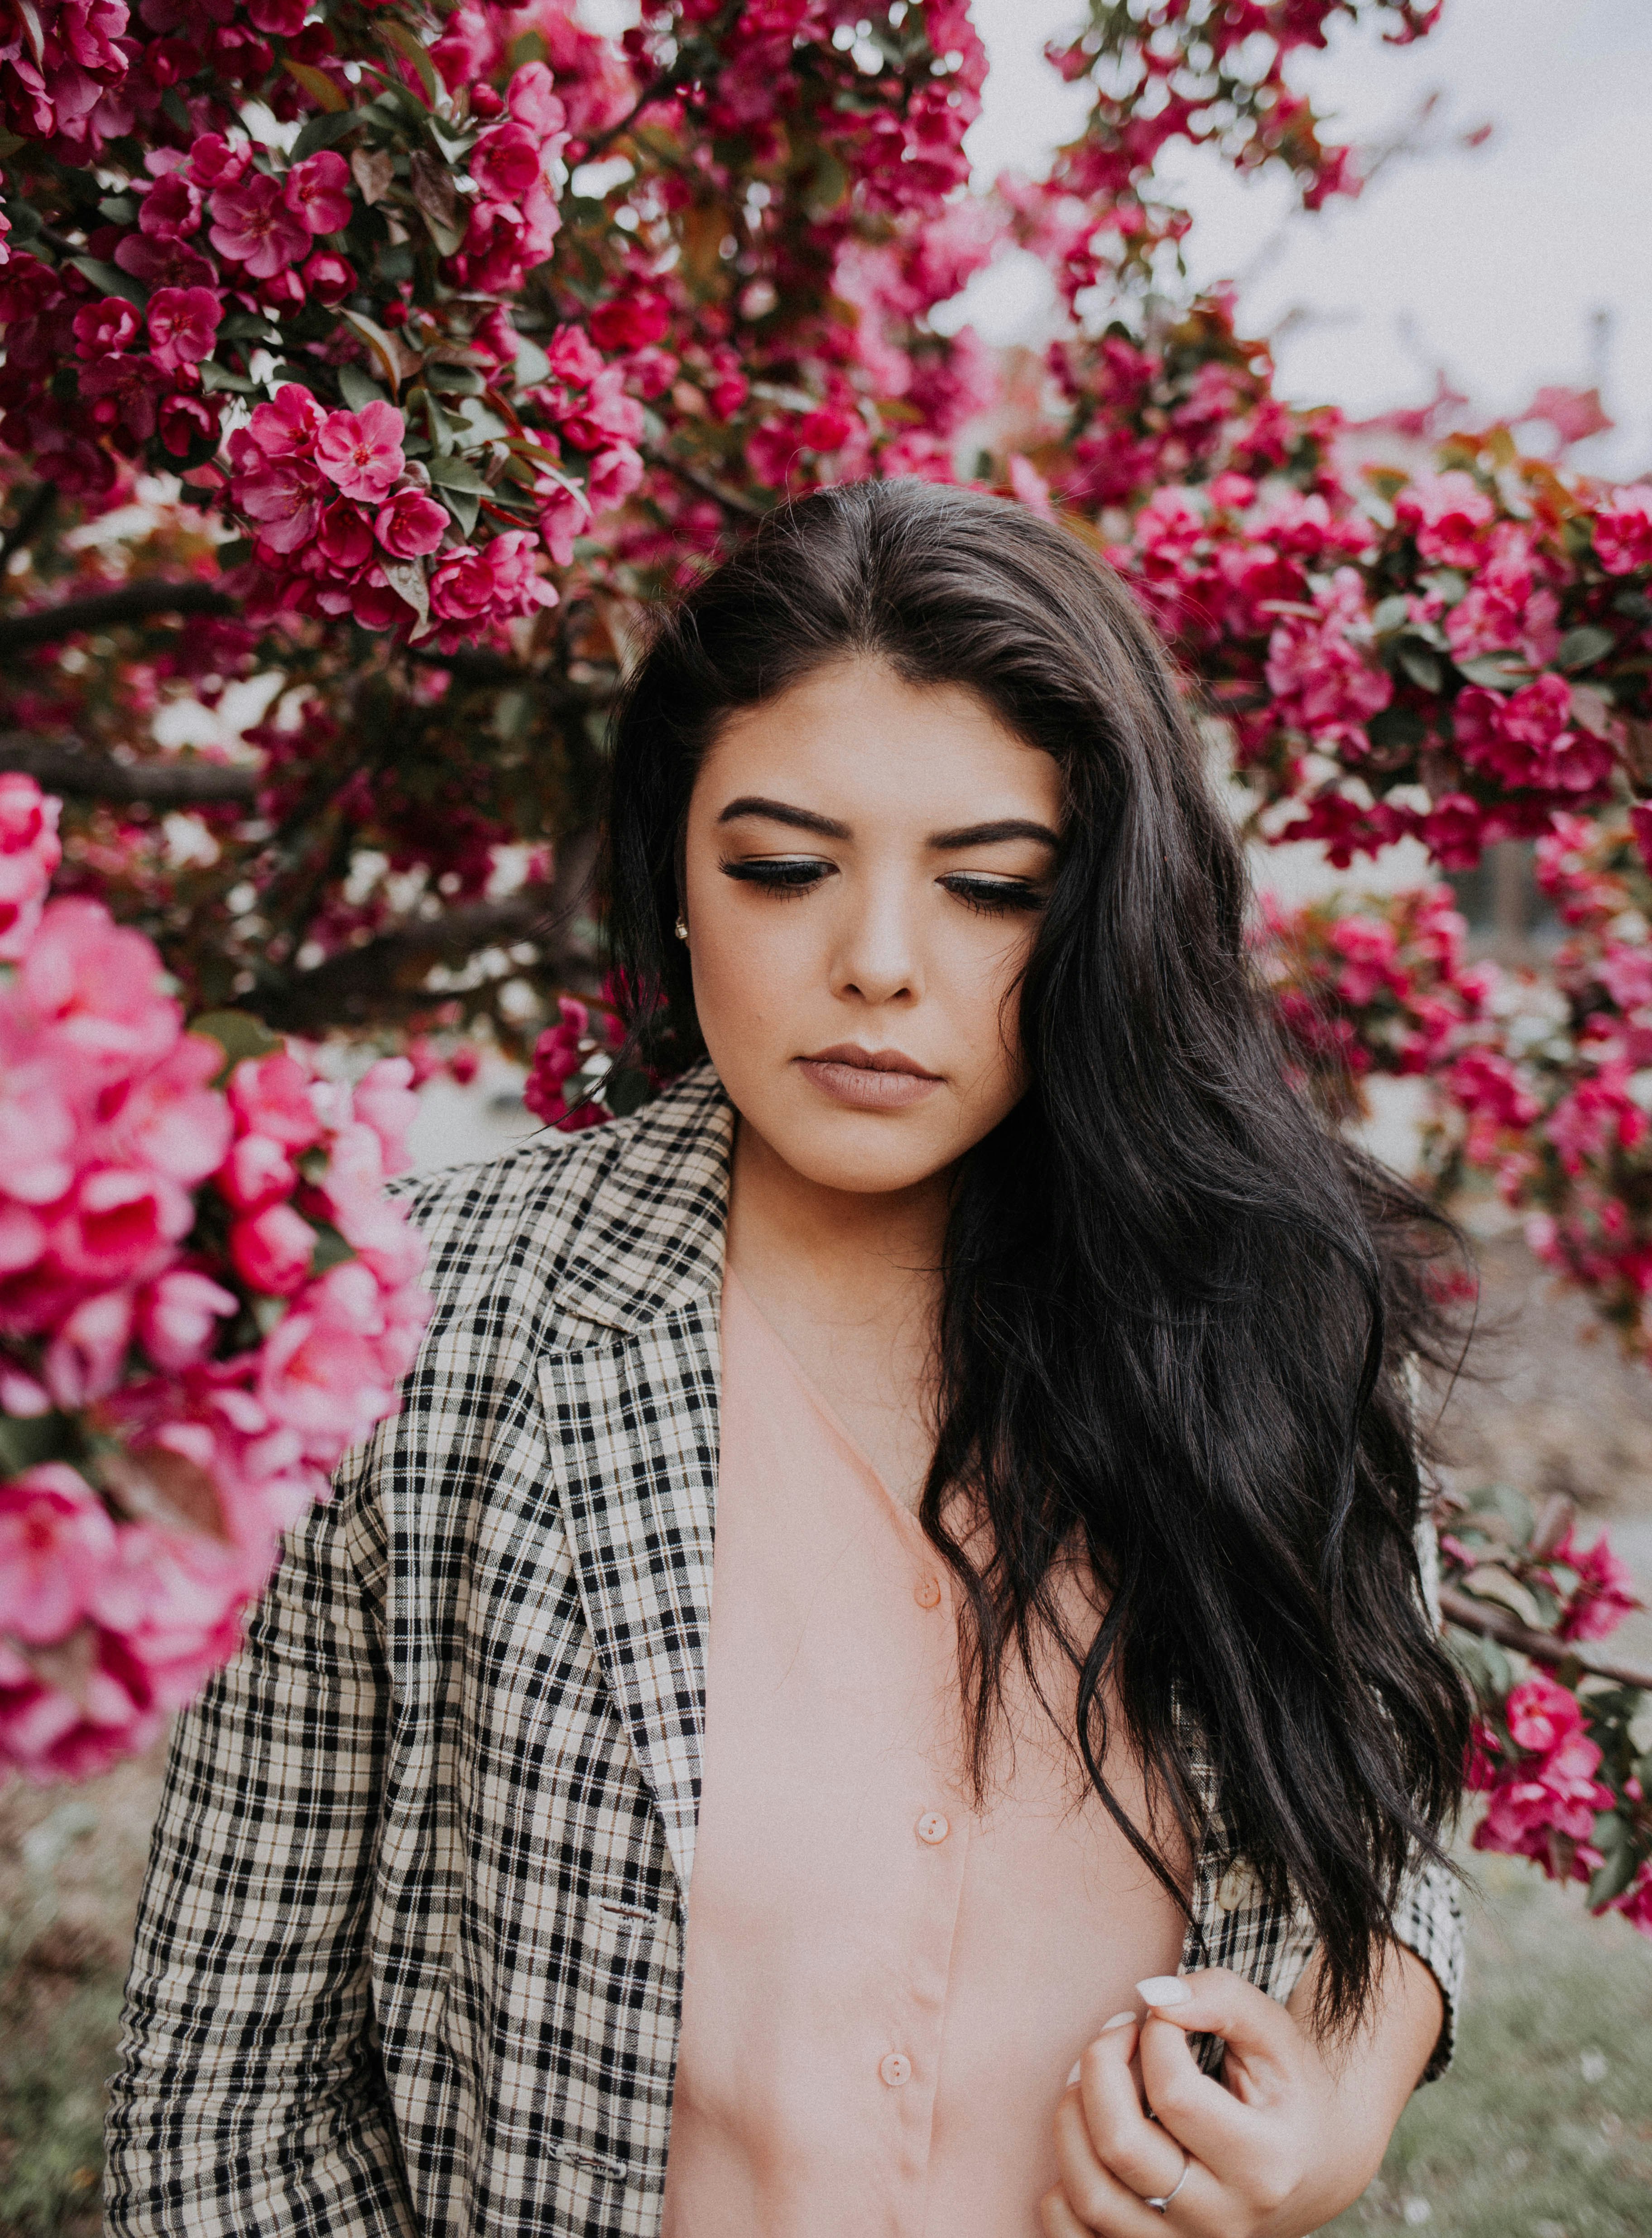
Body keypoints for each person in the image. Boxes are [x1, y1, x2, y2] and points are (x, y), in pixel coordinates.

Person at [105, 478, 1470, 2238]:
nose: (878, 966)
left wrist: (1340, 2103)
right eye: (781, 866)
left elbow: (1391, 1821)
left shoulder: (1280, 1312)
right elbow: (230, 2109)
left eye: (991, 888)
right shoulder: (417, 1333)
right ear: (673, 866)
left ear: (1106, 920)